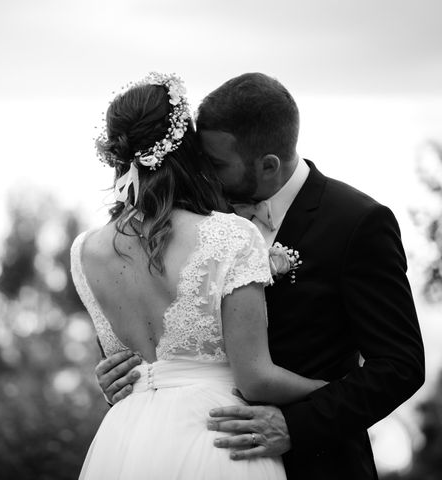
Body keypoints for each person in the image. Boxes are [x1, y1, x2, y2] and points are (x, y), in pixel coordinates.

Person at [95, 72, 426, 480]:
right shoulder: (199, 223)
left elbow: (400, 365)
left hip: (320, 464)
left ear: (268, 165)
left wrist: (298, 424)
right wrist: (134, 383)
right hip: (203, 458)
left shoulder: (357, 223)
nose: (207, 176)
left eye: (216, 165)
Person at [71, 72, 329, 480]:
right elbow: (256, 379)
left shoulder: (85, 252)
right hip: (214, 438)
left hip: (125, 442)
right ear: (185, 147)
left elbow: (125, 366)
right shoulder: (228, 234)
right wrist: (333, 392)